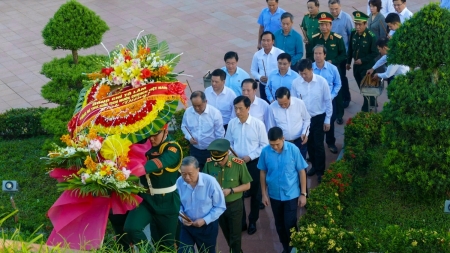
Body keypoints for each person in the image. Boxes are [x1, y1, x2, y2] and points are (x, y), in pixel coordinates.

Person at [109, 124, 182, 252]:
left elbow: (161, 162)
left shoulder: (173, 148)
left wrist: (135, 170)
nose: (151, 138)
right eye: (148, 134)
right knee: (131, 227)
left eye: (155, 134)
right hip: (146, 199)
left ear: (165, 131)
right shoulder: (144, 143)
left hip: (166, 201)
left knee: (165, 245)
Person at [259, 126, 308, 253]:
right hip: (274, 195)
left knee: (290, 224)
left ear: (283, 139)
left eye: (277, 144)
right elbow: (263, 172)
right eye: (272, 144)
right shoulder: (265, 152)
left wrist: (303, 193)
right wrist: (264, 194)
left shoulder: (293, 150)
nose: (274, 147)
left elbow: (302, 171)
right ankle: (286, 248)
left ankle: (294, 249)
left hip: (291, 195)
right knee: (279, 225)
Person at [225, 96, 269, 235]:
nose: (237, 111)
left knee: (255, 195)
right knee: (239, 193)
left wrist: (250, 157)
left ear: (248, 108)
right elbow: (228, 143)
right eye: (236, 108)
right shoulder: (232, 124)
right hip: (236, 163)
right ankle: (242, 221)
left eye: (240, 108)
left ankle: (253, 221)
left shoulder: (258, 124)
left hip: (253, 163)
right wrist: (232, 155)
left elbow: (264, 145)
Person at [204, 139, 252, 253]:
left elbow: (247, 185)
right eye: (216, 159)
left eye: (221, 159)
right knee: (226, 232)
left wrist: (230, 190)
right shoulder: (209, 163)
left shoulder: (238, 164)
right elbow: (205, 183)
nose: (218, 162)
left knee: (235, 235)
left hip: (234, 204)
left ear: (227, 154)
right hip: (218, 206)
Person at [291, 59, 332, 183]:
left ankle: (321, 171)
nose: (303, 76)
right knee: (308, 144)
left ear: (311, 70)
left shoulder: (322, 82)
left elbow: (328, 101)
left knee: (319, 144)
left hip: (318, 117)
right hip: (304, 119)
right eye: (301, 74)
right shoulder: (296, 83)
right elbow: (294, 102)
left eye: (306, 73)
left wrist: (328, 119)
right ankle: (314, 166)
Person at [177, 156, 226, 253]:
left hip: (207, 226)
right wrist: (182, 217)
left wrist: (204, 220)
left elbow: (220, 206)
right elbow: (177, 204)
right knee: (184, 251)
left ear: (198, 170)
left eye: (190, 174)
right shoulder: (179, 182)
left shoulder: (210, 182)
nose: (186, 177)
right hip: (187, 225)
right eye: (183, 174)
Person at [310, 11, 346, 125]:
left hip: (333, 70)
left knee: (337, 94)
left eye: (326, 24)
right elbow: (311, 54)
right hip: (317, 70)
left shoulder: (337, 38)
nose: (324, 27)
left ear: (331, 25)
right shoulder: (315, 38)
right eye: (321, 24)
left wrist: (333, 61)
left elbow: (343, 54)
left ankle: (339, 115)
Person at [182, 91, 225, 170]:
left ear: (205, 102)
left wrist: (216, 151)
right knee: (195, 173)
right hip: (195, 149)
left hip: (210, 150)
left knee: (211, 172)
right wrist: (189, 138)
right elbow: (184, 127)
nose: (197, 108)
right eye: (194, 106)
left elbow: (220, 134)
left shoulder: (215, 113)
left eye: (199, 105)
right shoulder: (188, 112)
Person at [346, 11, 378, 112]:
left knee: (366, 87)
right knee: (361, 86)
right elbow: (351, 48)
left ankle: (368, 106)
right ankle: (372, 101)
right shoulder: (353, 33)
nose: (357, 27)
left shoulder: (371, 36)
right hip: (356, 66)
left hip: (367, 67)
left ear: (365, 24)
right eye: (356, 24)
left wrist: (363, 60)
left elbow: (375, 53)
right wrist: (348, 62)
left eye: (360, 24)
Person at [312, 45, 341, 154]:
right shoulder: (310, 68)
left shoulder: (332, 68)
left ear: (325, 55)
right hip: (315, 101)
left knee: (330, 121)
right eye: (316, 53)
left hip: (329, 99)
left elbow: (338, 84)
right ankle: (315, 145)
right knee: (316, 122)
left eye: (320, 53)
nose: (318, 56)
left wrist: (332, 96)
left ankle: (330, 142)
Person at [267, 87, 311, 159]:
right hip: (283, 143)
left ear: (289, 98)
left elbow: (307, 119)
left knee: (301, 166)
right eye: (280, 104)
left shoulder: (299, 103)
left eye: (285, 103)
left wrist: (305, 133)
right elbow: (271, 127)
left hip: (299, 141)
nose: (283, 106)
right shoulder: (272, 107)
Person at [328, 0, 354, 108]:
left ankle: (346, 98)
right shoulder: (328, 18)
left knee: (341, 77)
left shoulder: (346, 18)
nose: (334, 11)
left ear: (340, 7)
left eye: (336, 8)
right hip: (330, 54)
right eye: (331, 9)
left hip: (342, 54)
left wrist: (349, 56)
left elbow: (351, 36)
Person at [251, 31, 284, 103]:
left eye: (268, 40)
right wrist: (259, 77)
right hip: (264, 85)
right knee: (265, 105)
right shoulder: (257, 55)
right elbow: (253, 70)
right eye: (263, 40)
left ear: (273, 41)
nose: (265, 43)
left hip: (277, 85)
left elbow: (286, 69)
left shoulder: (280, 53)